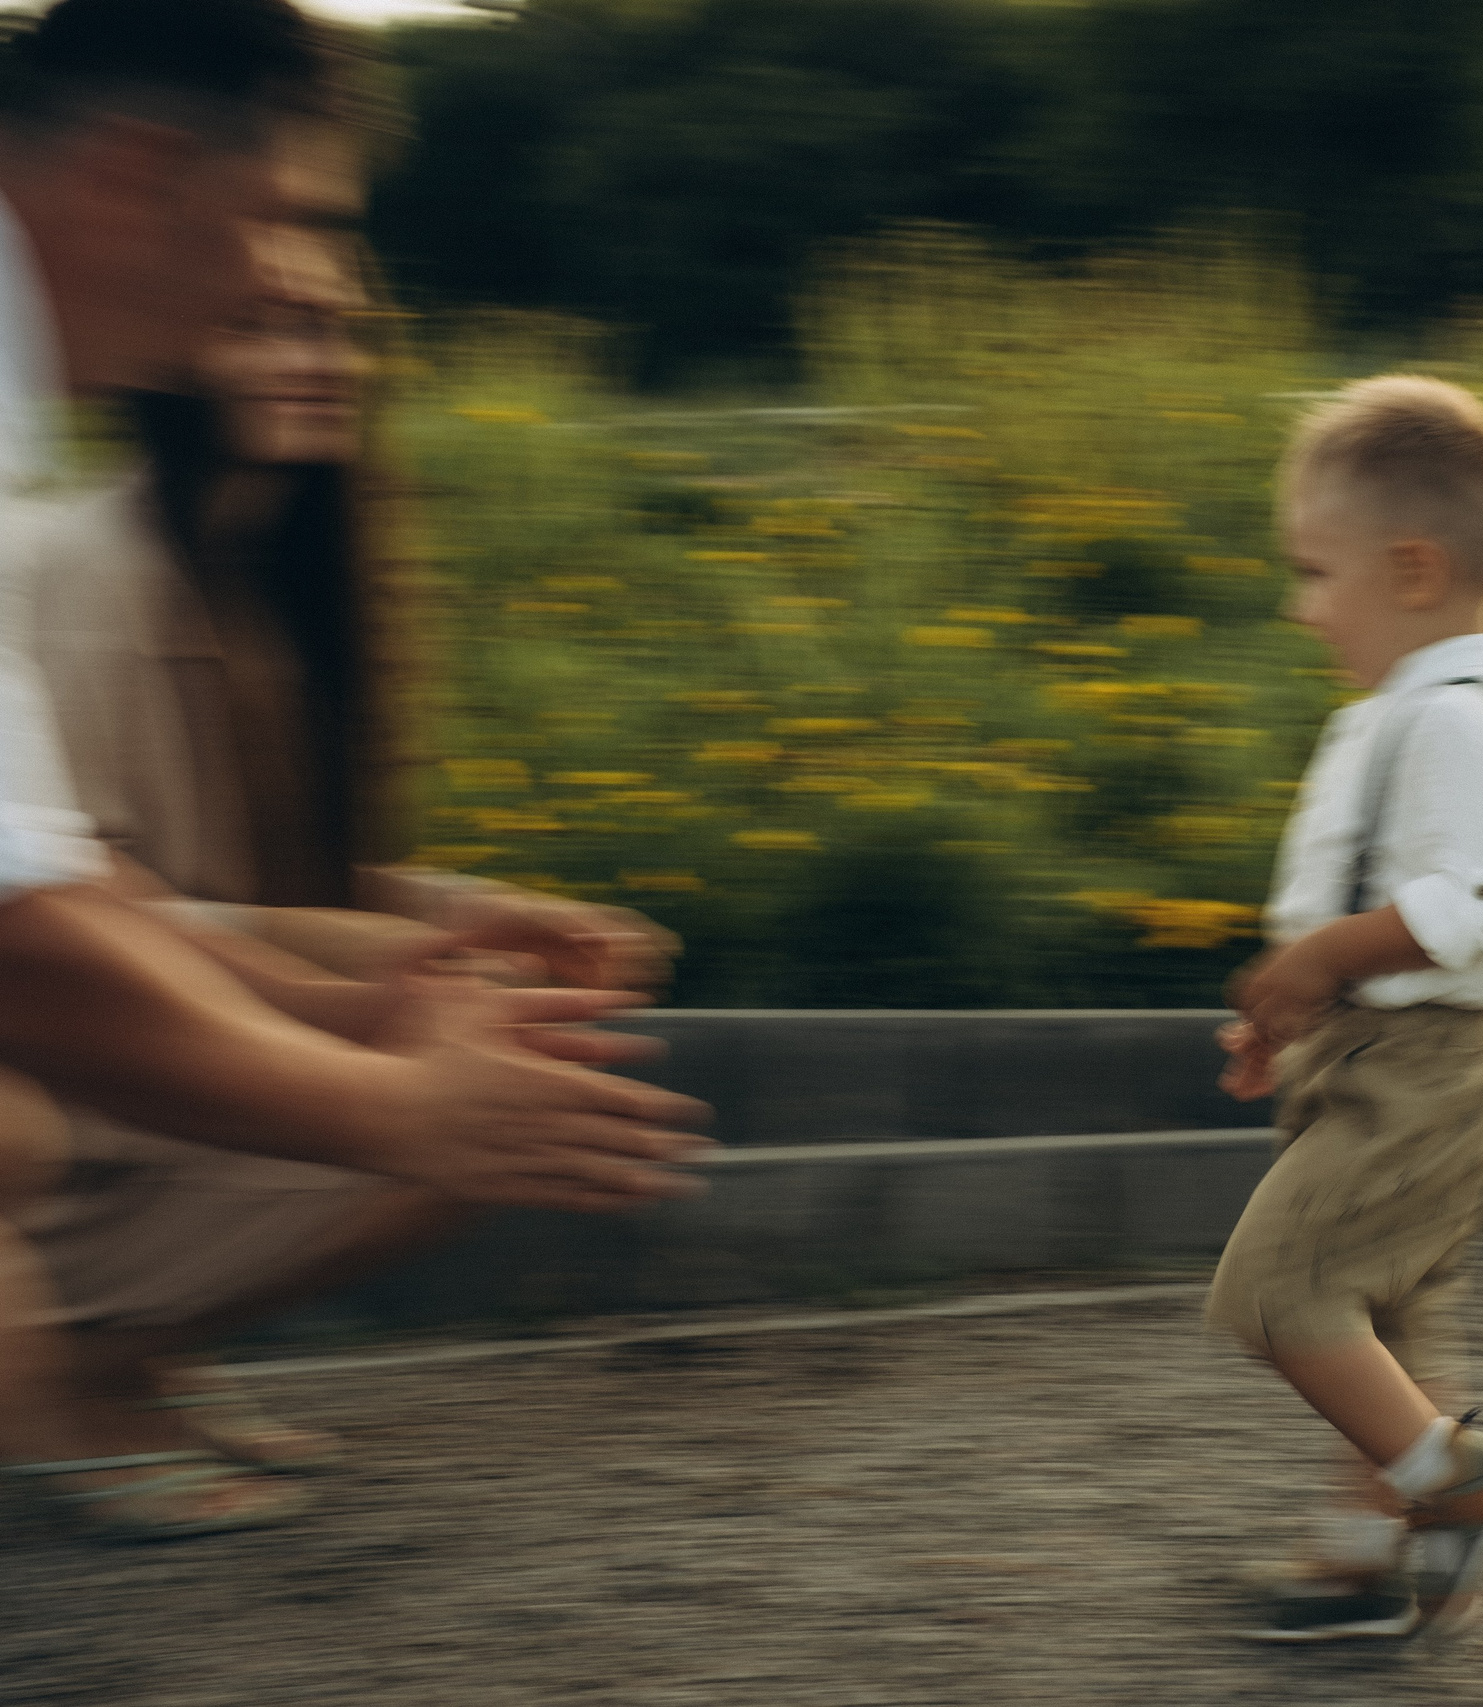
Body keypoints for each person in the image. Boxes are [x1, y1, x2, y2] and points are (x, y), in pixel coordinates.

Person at [0, 0, 706, 1539]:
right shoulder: (66, 540)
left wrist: (362, 1006)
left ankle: (92, 1367)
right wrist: (381, 1092)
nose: (296, 278)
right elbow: (32, 935)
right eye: (284, 223)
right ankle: (55, 1386)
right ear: (135, 179)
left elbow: (51, 884)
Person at [1208, 375, 1483, 1644]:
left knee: (1276, 1293)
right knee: (1393, 1334)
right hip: (1381, 1054)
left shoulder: (1459, 723)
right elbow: (1354, 897)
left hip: (1430, 1065)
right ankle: (1355, 1563)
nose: (1299, 606)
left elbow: (1468, 903)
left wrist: (1321, 963)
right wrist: (1291, 1014)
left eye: (1313, 572)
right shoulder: (1391, 716)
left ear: (1412, 570)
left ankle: (1460, 1487)